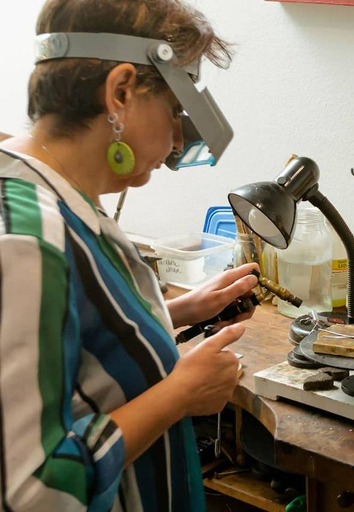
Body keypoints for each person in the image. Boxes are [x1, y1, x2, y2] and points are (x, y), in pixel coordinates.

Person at [0, 1, 259, 510]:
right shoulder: (28, 243)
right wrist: (178, 396)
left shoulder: (58, 193)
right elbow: (32, 492)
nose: (179, 137)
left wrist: (173, 312)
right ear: (120, 92)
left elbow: (71, 343)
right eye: (175, 108)